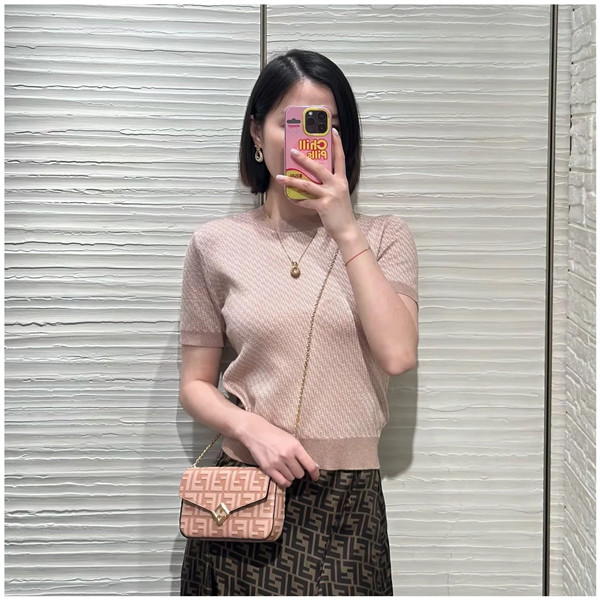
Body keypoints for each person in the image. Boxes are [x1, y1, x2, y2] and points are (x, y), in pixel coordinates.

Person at [178, 48, 419, 596]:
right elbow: (195, 384)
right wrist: (250, 429)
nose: (309, 139)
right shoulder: (215, 244)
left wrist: (345, 228)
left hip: (349, 508)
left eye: (326, 124)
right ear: (257, 134)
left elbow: (398, 354)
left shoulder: (385, 237)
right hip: (244, 496)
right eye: (294, 122)